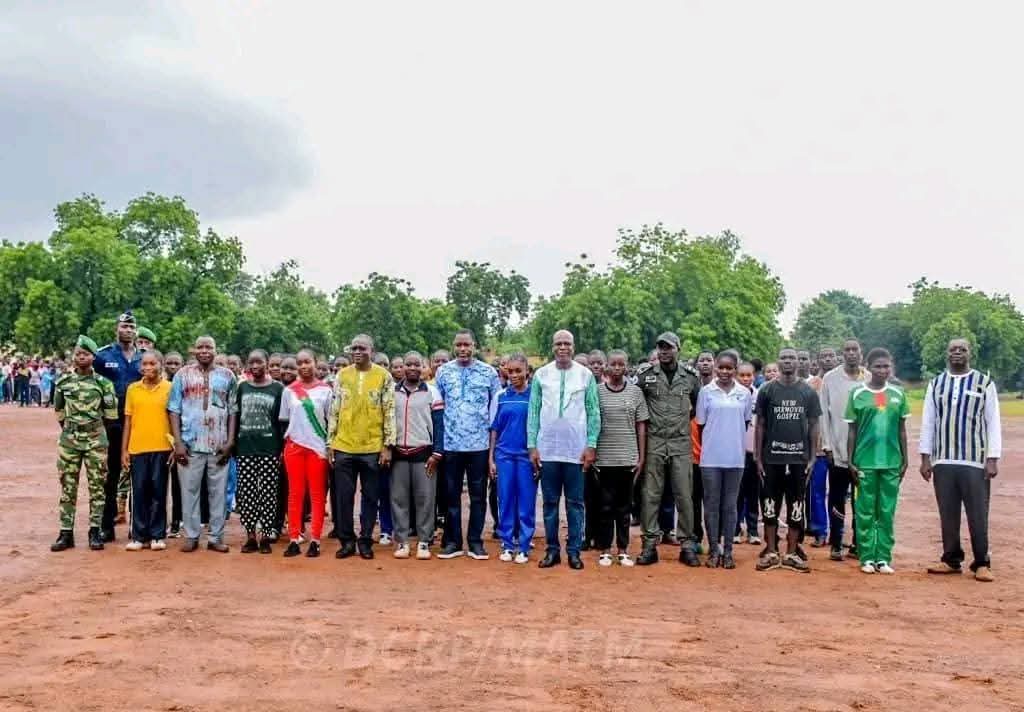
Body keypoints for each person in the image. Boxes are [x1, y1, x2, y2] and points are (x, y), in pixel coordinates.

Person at [920, 339, 1001, 583]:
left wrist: (992, 458)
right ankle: (951, 559)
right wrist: (925, 458)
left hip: (974, 460)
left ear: (970, 353)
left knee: (978, 513)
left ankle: (982, 562)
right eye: (953, 349)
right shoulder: (936, 384)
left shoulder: (983, 383)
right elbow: (928, 421)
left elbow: (993, 422)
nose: (957, 352)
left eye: (962, 349)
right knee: (948, 512)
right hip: (943, 460)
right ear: (947, 353)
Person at [528, 330, 600, 570]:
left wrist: (591, 444)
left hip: (576, 451)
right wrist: (532, 445)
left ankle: (574, 552)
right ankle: (552, 551)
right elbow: (533, 412)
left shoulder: (585, 375)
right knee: (549, 503)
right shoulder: (541, 375)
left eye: (566, 343)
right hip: (547, 450)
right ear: (552, 347)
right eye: (558, 343)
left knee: (575, 503)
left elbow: (593, 412)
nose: (562, 347)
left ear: (573, 346)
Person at [635, 332, 702, 566]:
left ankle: (687, 545)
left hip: (680, 442)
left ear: (678, 349)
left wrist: (680, 423)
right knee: (651, 495)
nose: (664, 351)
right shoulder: (645, 376)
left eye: (669, 347)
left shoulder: (691, 378)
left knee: (684, 495)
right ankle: (649, 545)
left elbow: (697, 408)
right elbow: (637, 405)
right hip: (654, 441)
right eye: (661, 347)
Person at [434, 330, 501, 560]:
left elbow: (495, 407)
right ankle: (453, 542)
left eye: (467, 345)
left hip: (479, 445)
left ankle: (475, 542)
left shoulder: (488, 372)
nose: (463, 349)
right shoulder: (443, 372)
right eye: (459, 345)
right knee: (451, 496)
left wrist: (493, 444)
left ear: (475, 346)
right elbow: (438, 406)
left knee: (478, 496)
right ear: (453, 347)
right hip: (451, 444)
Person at [168, 336, 238, 553]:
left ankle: (216, 537)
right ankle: (191, 535)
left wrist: (230, 441)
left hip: (219, 445)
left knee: (218, 493)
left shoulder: (228, 376)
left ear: (216, 350)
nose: (204, 351)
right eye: (200, 347)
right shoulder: (182, 375)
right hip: (190, 445)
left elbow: (233, 410)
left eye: (209, 347)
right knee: (189, 492)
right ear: (194, 350)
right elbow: (174, 409)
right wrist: (178, 443)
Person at [328, 334, 396, 560]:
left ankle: (365, 540)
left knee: (370, 497)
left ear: (372, 351)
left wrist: (388, 446)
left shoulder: (383, 376)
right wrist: (330, 443)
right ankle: (347, 541)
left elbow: (389, 411)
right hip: (343, 445)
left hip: (372, 447)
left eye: (362, 348)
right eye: (354, 348)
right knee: (343, 497)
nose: (357, 352)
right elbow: (334, 411)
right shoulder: (342, 375)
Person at [754, 347, 821, 573]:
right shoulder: (767, 390)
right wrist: (757, 456)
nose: (788, 361)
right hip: (771, 458)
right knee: (769, 505)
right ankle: (771, 552)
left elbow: (814, 424)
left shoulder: (808, 392)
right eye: (784, 358)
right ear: (778, 361)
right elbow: (760, 424)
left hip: (798, 459)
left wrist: (813, 456)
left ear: (798, 362)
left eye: (792, 358)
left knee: (796, 505)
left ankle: (792, 553)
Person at [50, 336, 119, 552]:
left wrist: (93, 431)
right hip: (69, 441)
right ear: (74, 357)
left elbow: (111, 416)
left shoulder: (103, 384)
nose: (81, 357)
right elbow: (59, 411)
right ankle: (65, 533)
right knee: (68, 486)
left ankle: (95, 531)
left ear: (93, 357)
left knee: (97, 486)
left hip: (95, 440)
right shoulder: (63, 382)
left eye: (86, 354)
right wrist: (72, 430)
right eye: (78, 353)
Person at [845, 348, 909, 574]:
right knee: (865, 510)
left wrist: (905, 459)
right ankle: (866, 557)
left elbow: (902, 429)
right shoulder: (857, 394)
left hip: (891, 462)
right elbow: (852, 430)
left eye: (886, 366)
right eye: (878, 366)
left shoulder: (898, 394)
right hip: (865, 462)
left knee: (886, 510)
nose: (883, 370)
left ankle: (883, 558)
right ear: (869, 367)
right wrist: (850, 460)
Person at [696, 350, 753, 569]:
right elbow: (701, 425)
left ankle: (728, 551)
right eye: (721, 367)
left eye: (729, 368)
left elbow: (745, 422)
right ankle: (713, 549)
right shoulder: (706, 392)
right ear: (715, 368)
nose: (725, 372)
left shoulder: (744, 393)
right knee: (711, 505)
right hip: (710, 458)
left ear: (735, 369)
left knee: (730, 506)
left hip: (735, 458)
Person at [594, 350, 648, 567]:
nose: (617, 368)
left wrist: (641, 457)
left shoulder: (635, 392)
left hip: (628, 457)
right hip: (604, 457)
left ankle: (623, 550)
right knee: (605, 506)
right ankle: (605, 549)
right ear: (607, 366)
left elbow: (641, 425)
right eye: (613, 364)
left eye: (621, 364)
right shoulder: (597, 392)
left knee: (624, 507)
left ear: (627, 366)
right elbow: (592, 423)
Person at [93, 311, 143, 542]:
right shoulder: (103, 356)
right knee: (110, 474)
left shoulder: (143, 357)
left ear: (136, 331)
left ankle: (138, 526)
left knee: (139, 474)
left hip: (139, 422)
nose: (128, 330)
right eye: (124, 326)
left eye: (131, 327)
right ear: (117, 329)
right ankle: (107, 525)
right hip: (111, 422)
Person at [279, 349, 332, 558]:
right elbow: (285, 421)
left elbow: (330, 421)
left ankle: (315, 540)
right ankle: (294, 538)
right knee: (295, 493)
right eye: (299, 363)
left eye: (307, 362)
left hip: (317, 448)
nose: (303, 366)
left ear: (315, 363)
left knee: (317, 494)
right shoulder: (289, 391)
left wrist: (329, 448)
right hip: (294, 446)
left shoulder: (326, 390)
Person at [392, 351, 444, 559]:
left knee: (425, 499)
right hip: (398, 453)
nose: (412, 368)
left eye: (417, 364)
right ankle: (402, 542)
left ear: (423, 367)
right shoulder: (392, 391)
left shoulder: (432, 392)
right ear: (403, 366)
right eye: (408, 364)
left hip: (424, 453)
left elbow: (439, 424)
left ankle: (424, 541)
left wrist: (437, 453)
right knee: (399, 499)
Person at [819, 339, 868, 562]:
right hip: (838, 451)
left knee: (862, 500)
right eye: (847, 350)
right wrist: (827, 446)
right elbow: (823, 415)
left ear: (861, 353)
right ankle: (836, 543)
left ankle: (859, 543)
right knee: (837, 497)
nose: (851, 353)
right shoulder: (830, 379)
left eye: (854, 349)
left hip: (864, 454)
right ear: (842, 354)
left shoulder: (869, 379)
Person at [121, 350, 173, 551]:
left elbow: (174, 418)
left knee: (159, 492)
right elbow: (128, 421)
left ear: (161, 364)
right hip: (138, 448)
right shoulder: (133, 389)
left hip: (162, 447)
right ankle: (138, 535)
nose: (148, 367)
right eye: (144, 364)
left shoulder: (169, 388)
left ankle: (157, 535)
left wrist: (175, 446)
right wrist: (124, 450)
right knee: (139, 492)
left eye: (152, 363)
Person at [235, 349, 285, 554]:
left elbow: (281, 422)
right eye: (251, 362)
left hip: (270, 449)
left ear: (267, 363)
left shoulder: (278, 388)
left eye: (259, 362)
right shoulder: (242, 387)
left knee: (268, 492)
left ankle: (265, 536)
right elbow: (236, 416)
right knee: (247, 493)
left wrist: (281, 449)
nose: (255, 366)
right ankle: (250, 536)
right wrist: (233, 444)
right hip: (245, 448)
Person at [489, 353, 534, 564]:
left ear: (527, 372)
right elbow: (494, 429)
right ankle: (507, 544)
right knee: (505, 500)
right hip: (504, 456)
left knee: (526, 501)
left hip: (526, 457)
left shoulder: (535, 396)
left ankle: (524, 546)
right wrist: (491, 459)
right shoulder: (501, 396)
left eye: (518, 371)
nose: (514, 375)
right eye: (510, 371)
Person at [806, 346, 837, 546]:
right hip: (817, 448)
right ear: (818, 360)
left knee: (837, 492)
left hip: (839, 448)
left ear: (836, 358)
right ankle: (820, 530)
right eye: (823, 356)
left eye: (830, 356)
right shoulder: (811, 385)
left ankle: (837, 531)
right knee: (816, 491)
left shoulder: (842, 382)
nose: (827, 359)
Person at [734, 362, 762, 545]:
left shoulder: (760, 395)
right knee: (737, 492)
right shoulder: (733, 394)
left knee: (753, 492)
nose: (745, 379)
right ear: (736, 376)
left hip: (754, 451)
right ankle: (735, 529)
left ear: (754, 376)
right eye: (742, 375)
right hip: (736, 450)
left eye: (749, 375)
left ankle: (753, 530)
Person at [162, 351, 188, 537]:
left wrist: (178, 441)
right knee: (160, 485)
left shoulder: (185, 387)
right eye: (169, 363)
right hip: (161, 441)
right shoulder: (162, 386)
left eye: (176, 363)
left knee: (179, 485)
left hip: (179, 441)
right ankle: (160, 522)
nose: (172, 366)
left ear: (182, 365)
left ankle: (177, 521)